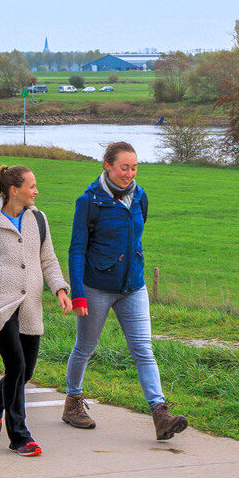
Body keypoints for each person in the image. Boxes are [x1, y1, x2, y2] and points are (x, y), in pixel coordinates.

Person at [63, 141, 189, 441]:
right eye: (124, 167)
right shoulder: (89, 202)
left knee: (144, 349)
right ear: (107, 165)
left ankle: (160, 414)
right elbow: (77, 249)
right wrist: (78, 292)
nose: (129, 174)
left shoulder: (140, 196)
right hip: (97, 288)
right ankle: (72, 403)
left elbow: (137, 233)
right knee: (85, 346)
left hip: (133, 286)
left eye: (134, 168)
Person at [0, 164, 72, 457]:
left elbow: (48, 260)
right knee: (17, 367)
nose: (36, 191)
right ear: (14, 190)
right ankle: (20, 436)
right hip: (0, 306)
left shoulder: (39, 219)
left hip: (30, 306)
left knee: (26, 371)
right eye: (32, 186)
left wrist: (60, 289)